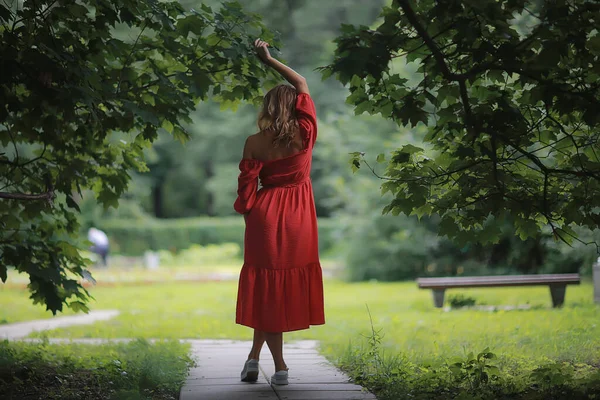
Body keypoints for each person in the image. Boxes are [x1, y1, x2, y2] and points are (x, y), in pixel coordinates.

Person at [233, 39, 325, 386]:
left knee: (268, 290)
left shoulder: (254, 142)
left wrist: (251, 219)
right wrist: (269, 59)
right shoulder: (305, 132)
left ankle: (256, 360)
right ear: (296, 107)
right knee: (278, 290)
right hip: (299, 215)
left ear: (269, 107)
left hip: (264, 215)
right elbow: (301, 83)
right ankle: (281, 367)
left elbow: (246, 191)